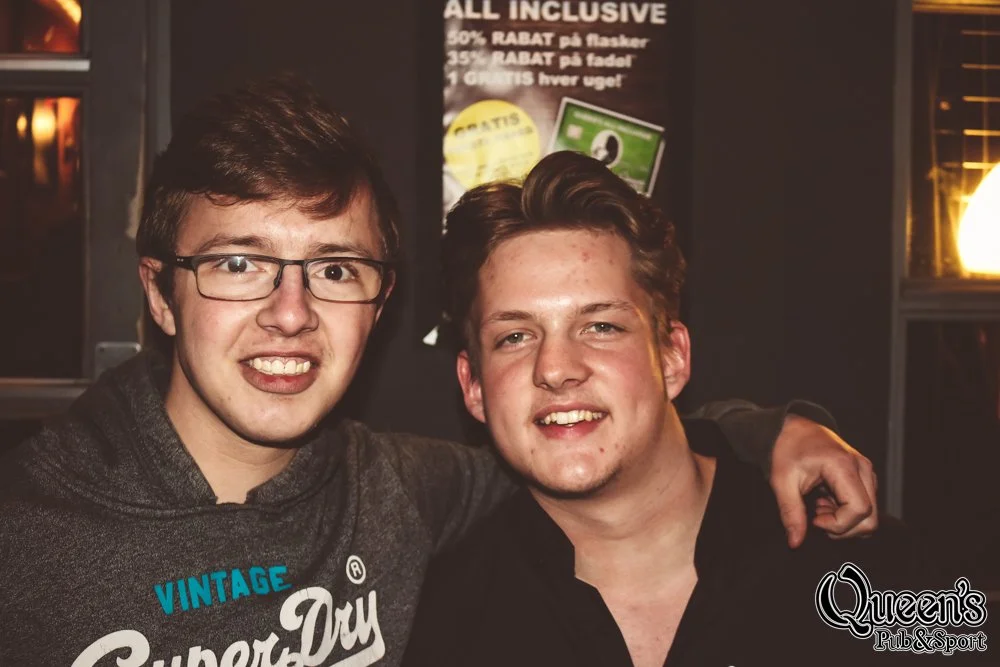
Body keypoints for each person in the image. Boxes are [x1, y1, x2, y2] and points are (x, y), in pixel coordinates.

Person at [0, 77, 876, 666]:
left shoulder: (403, 491)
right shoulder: (26, 535)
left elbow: (590, 442)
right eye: (239, 263)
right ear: (160, 293)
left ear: (378, 304)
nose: (290, 312)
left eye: (334, 268)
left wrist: (771, 431)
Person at [403, 152, 971, 666]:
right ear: (473, 386)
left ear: (672, 357)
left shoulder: (876, 579)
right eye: (515, 337)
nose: (555, 369)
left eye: (601, 326)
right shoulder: (435, 620)